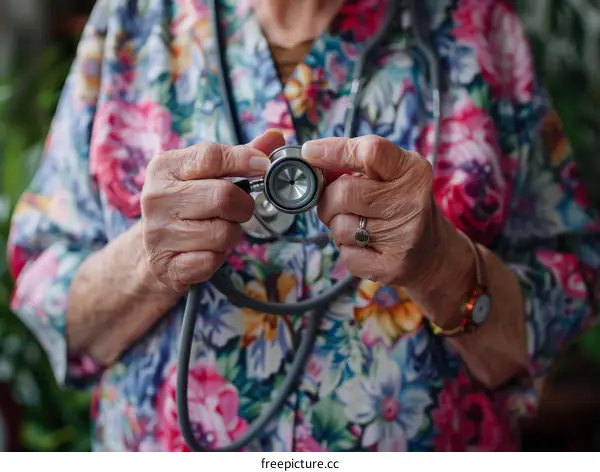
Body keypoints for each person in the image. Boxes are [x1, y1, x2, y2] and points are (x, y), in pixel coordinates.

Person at [6, 0, 600, 452]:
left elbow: (568, 290)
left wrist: (441, 263)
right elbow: (49, 292)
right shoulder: (134, 21)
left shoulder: (475, 29)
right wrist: (148, 259)